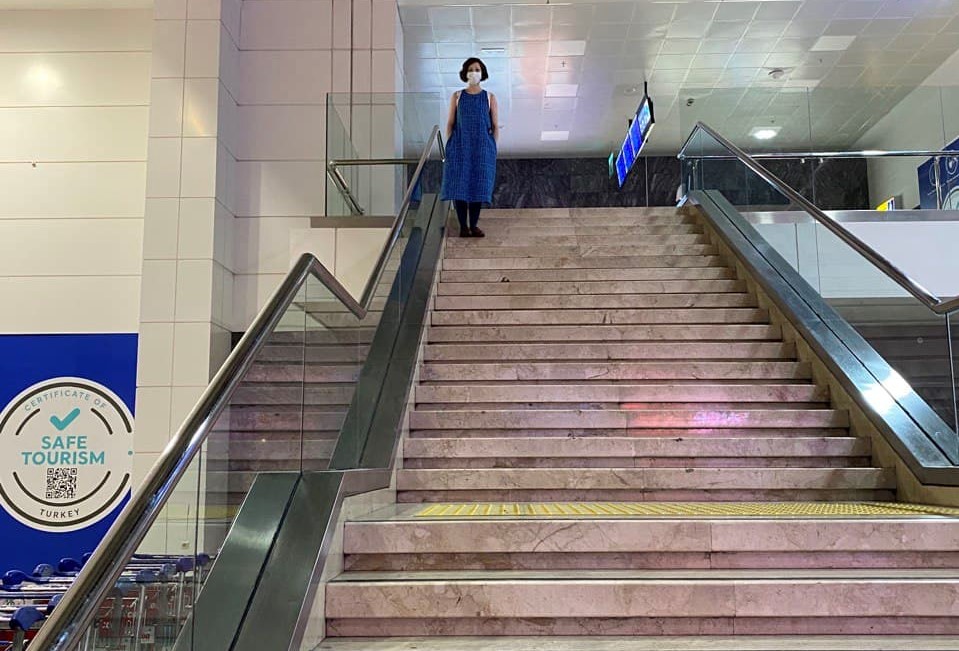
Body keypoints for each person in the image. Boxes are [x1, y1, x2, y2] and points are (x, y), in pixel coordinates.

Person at [441, 57, 499, 238]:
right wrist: (451, 144)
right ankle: (463, 227)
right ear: (465, 73)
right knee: (459, 185)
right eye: (471, 69)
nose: (474, 72)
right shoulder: (457, 96)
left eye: (477, 69)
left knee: (478, 186)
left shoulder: (489, 97)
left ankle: (473, 225)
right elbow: (450, 123)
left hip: (482, 149)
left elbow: (495, 125)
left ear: (483, 73)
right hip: (460, 147)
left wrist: (492, 148)